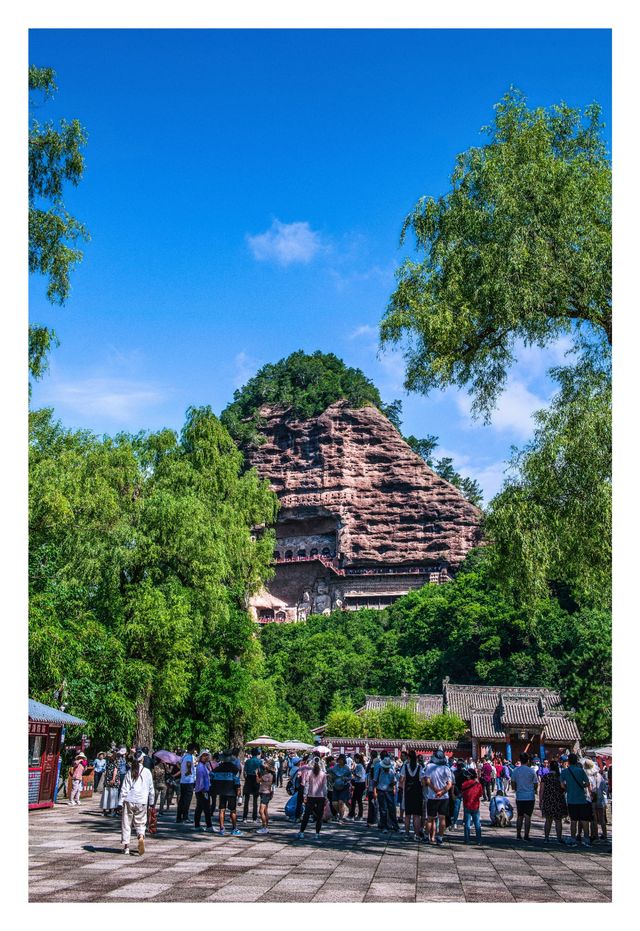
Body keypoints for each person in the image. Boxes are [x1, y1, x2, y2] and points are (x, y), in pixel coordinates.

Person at [120, 752, 154, 856]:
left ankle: (126, 847)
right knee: (141, 822)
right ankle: (141, 837)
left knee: (126, 823)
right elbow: (151, 789)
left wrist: (120, 803)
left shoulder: (130, 771)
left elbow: (124, 788)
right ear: (142, 760)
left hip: (129, 799)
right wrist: (151, 803)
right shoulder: (147, 772)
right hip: (142, 801)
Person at [559, 753, 592, 847]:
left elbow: (561, 784)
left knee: (573, 820)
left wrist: (567, 787)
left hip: (571, 799)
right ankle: (586, 839)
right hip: (582, 798)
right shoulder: (581, 770)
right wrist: (581, 786)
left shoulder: (565, 771)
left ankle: (573, 839)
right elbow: (587, 783)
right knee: (584, 820)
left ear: (568, 761)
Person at [423, 748, 453, 846]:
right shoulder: (446, 768)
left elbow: (427, 781)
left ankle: (427, 836)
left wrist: (436, 790)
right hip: (444, 797)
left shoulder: (429, 767)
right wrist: (442, 791)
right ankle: (440, 837)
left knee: (430, 818)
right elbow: (449, 784)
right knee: (442, 818)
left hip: (432, 796)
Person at [211, 749, 242, 835]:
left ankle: (221, 829)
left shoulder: (218, 768)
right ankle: (234, 829)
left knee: (221, 810)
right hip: (231, 792)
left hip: (221, 792)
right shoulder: (235, 769)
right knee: (233, 811)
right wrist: (239, 794)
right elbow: (237, 782)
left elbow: (211, 776)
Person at [298, 757, 328, 841]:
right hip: (321, 796)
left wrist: (305, 795)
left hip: (311, 796)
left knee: (306, 815)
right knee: (319, 816)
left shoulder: (309, 773)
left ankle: (302, 832)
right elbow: (325, 787)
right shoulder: (323, 774)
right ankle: (317, 833)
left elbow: (306, 785)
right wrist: (326, 797)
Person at [511, 752, 539, 841]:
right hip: (530, 796)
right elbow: (535, 784)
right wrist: (533, 790)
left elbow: (513, 784)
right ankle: (526, 835)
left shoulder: (516, 770)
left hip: (520, 796)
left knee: (519, 816)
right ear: (528, 760)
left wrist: (517, 788)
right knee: (527, 816)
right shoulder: (531, 771)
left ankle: (518, 834)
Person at [539, 760, 568, 842]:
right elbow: (563, 788)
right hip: (558, 799)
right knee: (558, 820)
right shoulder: (559, 777)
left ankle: (546, 838)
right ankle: (559, 838)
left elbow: (541, 790)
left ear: (549, 767)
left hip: (548, 799)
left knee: (548, 820)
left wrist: (541, 800)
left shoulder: (545, 777)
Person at [400, 750, 424, 839]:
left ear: (408, 758)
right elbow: (422, 781)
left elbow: (401, 779)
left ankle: (406, 833)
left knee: (407, 815)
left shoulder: (405, 767)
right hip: (417, 792)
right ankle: (416, 834)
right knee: (416, 815)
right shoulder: (419, 767)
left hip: (408, 792)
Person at [375, 755, 399, 833]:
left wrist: (392, 785)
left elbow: (394, 781)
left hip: (389, 791)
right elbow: (375, 780)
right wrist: (375, 791)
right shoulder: (378, 770)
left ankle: (395, 826)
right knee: (383, 809)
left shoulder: (391, 771)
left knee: (392, 809)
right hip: (381, 791)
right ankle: (384, 826)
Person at [176, 743, 198, 824]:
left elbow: (177, 763)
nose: (194, 751)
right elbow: (189, 764)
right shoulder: (189, 757)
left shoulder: (184, 756)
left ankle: (179, 817)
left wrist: (182, 770)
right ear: (192, 749)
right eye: (194, 749)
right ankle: (185, 816)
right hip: (189, 781)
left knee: (182, 799)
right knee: (187, 800)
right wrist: (188, 771)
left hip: (183, 781)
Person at [461, 768, 483, 844]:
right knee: (477, 823)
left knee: (467, 824)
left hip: (467, 805)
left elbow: (463, 794)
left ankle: (467, 839)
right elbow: (480, 794)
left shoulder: (464, 784)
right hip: (475, 806)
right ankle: (479, 840)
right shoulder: (478, 785)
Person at [194, 750, 214, 832]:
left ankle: (197, 825)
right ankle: (209, 826)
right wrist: (203, 791)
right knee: (206, 809)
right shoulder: (200, 767)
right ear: (201, 757)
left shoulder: (204, 766)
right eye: (204, 755)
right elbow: (200, 780)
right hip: (202, 790)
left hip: (203, 790)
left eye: (207, 755)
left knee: (200, 808)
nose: (206, 757)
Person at [242, 749, 263, 823]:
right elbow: (261, 772)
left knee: (246, 800)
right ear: (257, 753)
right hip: (256, 779)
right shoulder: (260, 761)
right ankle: (254, 818)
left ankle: (244, 817)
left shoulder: (247, 761)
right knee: (255, 800)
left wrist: (246, 778)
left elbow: (244, 772)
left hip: (248, 779)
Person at [331, 755, 352, 822]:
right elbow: (332, 774)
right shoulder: (335, 767)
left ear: (344, 761)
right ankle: (341, 813)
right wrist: (331, 777)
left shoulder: (347, 768)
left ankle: (341, 817)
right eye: (339, 759)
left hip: (344, 787)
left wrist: (346, 778)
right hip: (336, 786)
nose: (340, 761)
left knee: (340, 802)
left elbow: (350, 777)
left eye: (342, 760)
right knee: (334, 803)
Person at [257, 761, 275, 834]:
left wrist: (256, 774)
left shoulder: (267, 775)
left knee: (261, 811)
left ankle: (264, 827)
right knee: (265, 811)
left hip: (265, 793)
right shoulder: (270, 774)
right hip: (266, 793)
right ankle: (265, 826)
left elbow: (258, 781)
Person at [100, 750, 120, 816]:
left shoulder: (114, 761)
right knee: (108, 794)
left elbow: (115, 770)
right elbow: (110, 770)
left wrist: (113, 779)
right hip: (109, 779)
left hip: (111, 779)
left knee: (110, 794)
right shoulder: (109, 761)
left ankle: (110, 811)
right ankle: (107, 810)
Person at [347, 754, 367, 821]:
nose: (354, 760)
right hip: (361, 783)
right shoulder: (362, 765)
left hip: (359, 783)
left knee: (355, 800)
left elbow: (359, 775)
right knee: (358, 800)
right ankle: (359, 815)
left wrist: (353, 772)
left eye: (355, 758)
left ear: (357, 758)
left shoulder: (359, 765)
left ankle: (352, 815)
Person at [366, 752, 379, 827]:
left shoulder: (370, 765)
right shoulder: (377, 766)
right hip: (375, 788)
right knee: (375, 805)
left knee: (372, 805)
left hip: (371, 788)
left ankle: (371, 820)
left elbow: (367, 775)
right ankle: (374, 820)